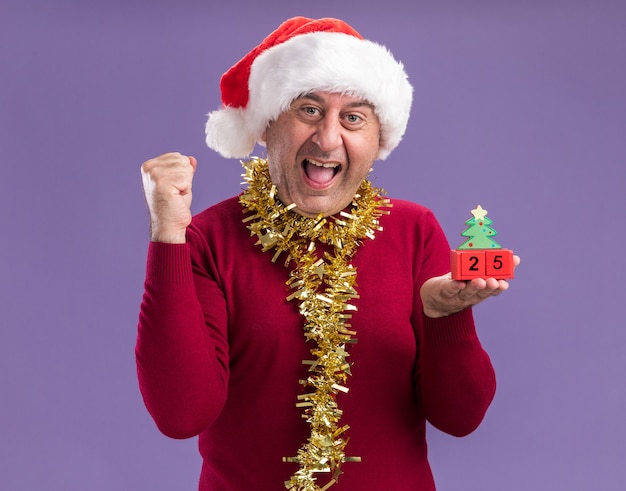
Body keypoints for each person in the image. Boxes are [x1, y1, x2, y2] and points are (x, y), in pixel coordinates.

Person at [136, 16, 519, 491]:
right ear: (266, 124)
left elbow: (461, 417)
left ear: (379, 141)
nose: (328, 138)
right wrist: (167, 236)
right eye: (309, 110)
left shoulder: (414, 230)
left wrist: (445, 317)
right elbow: (180, 413)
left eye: (353, 117)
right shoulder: (210, 237)